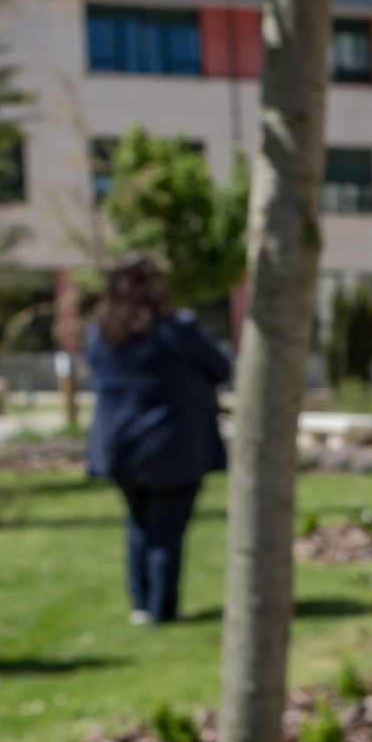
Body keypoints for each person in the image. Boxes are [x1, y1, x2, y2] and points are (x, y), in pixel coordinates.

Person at [84, 254, 231, 626]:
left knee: (140, 524)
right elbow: (219, 367)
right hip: (171, 445)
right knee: (166, 530)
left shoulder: (100, 333)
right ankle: (162, 610)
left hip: (121, 447)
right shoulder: (175, 329)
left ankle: (142, 605)